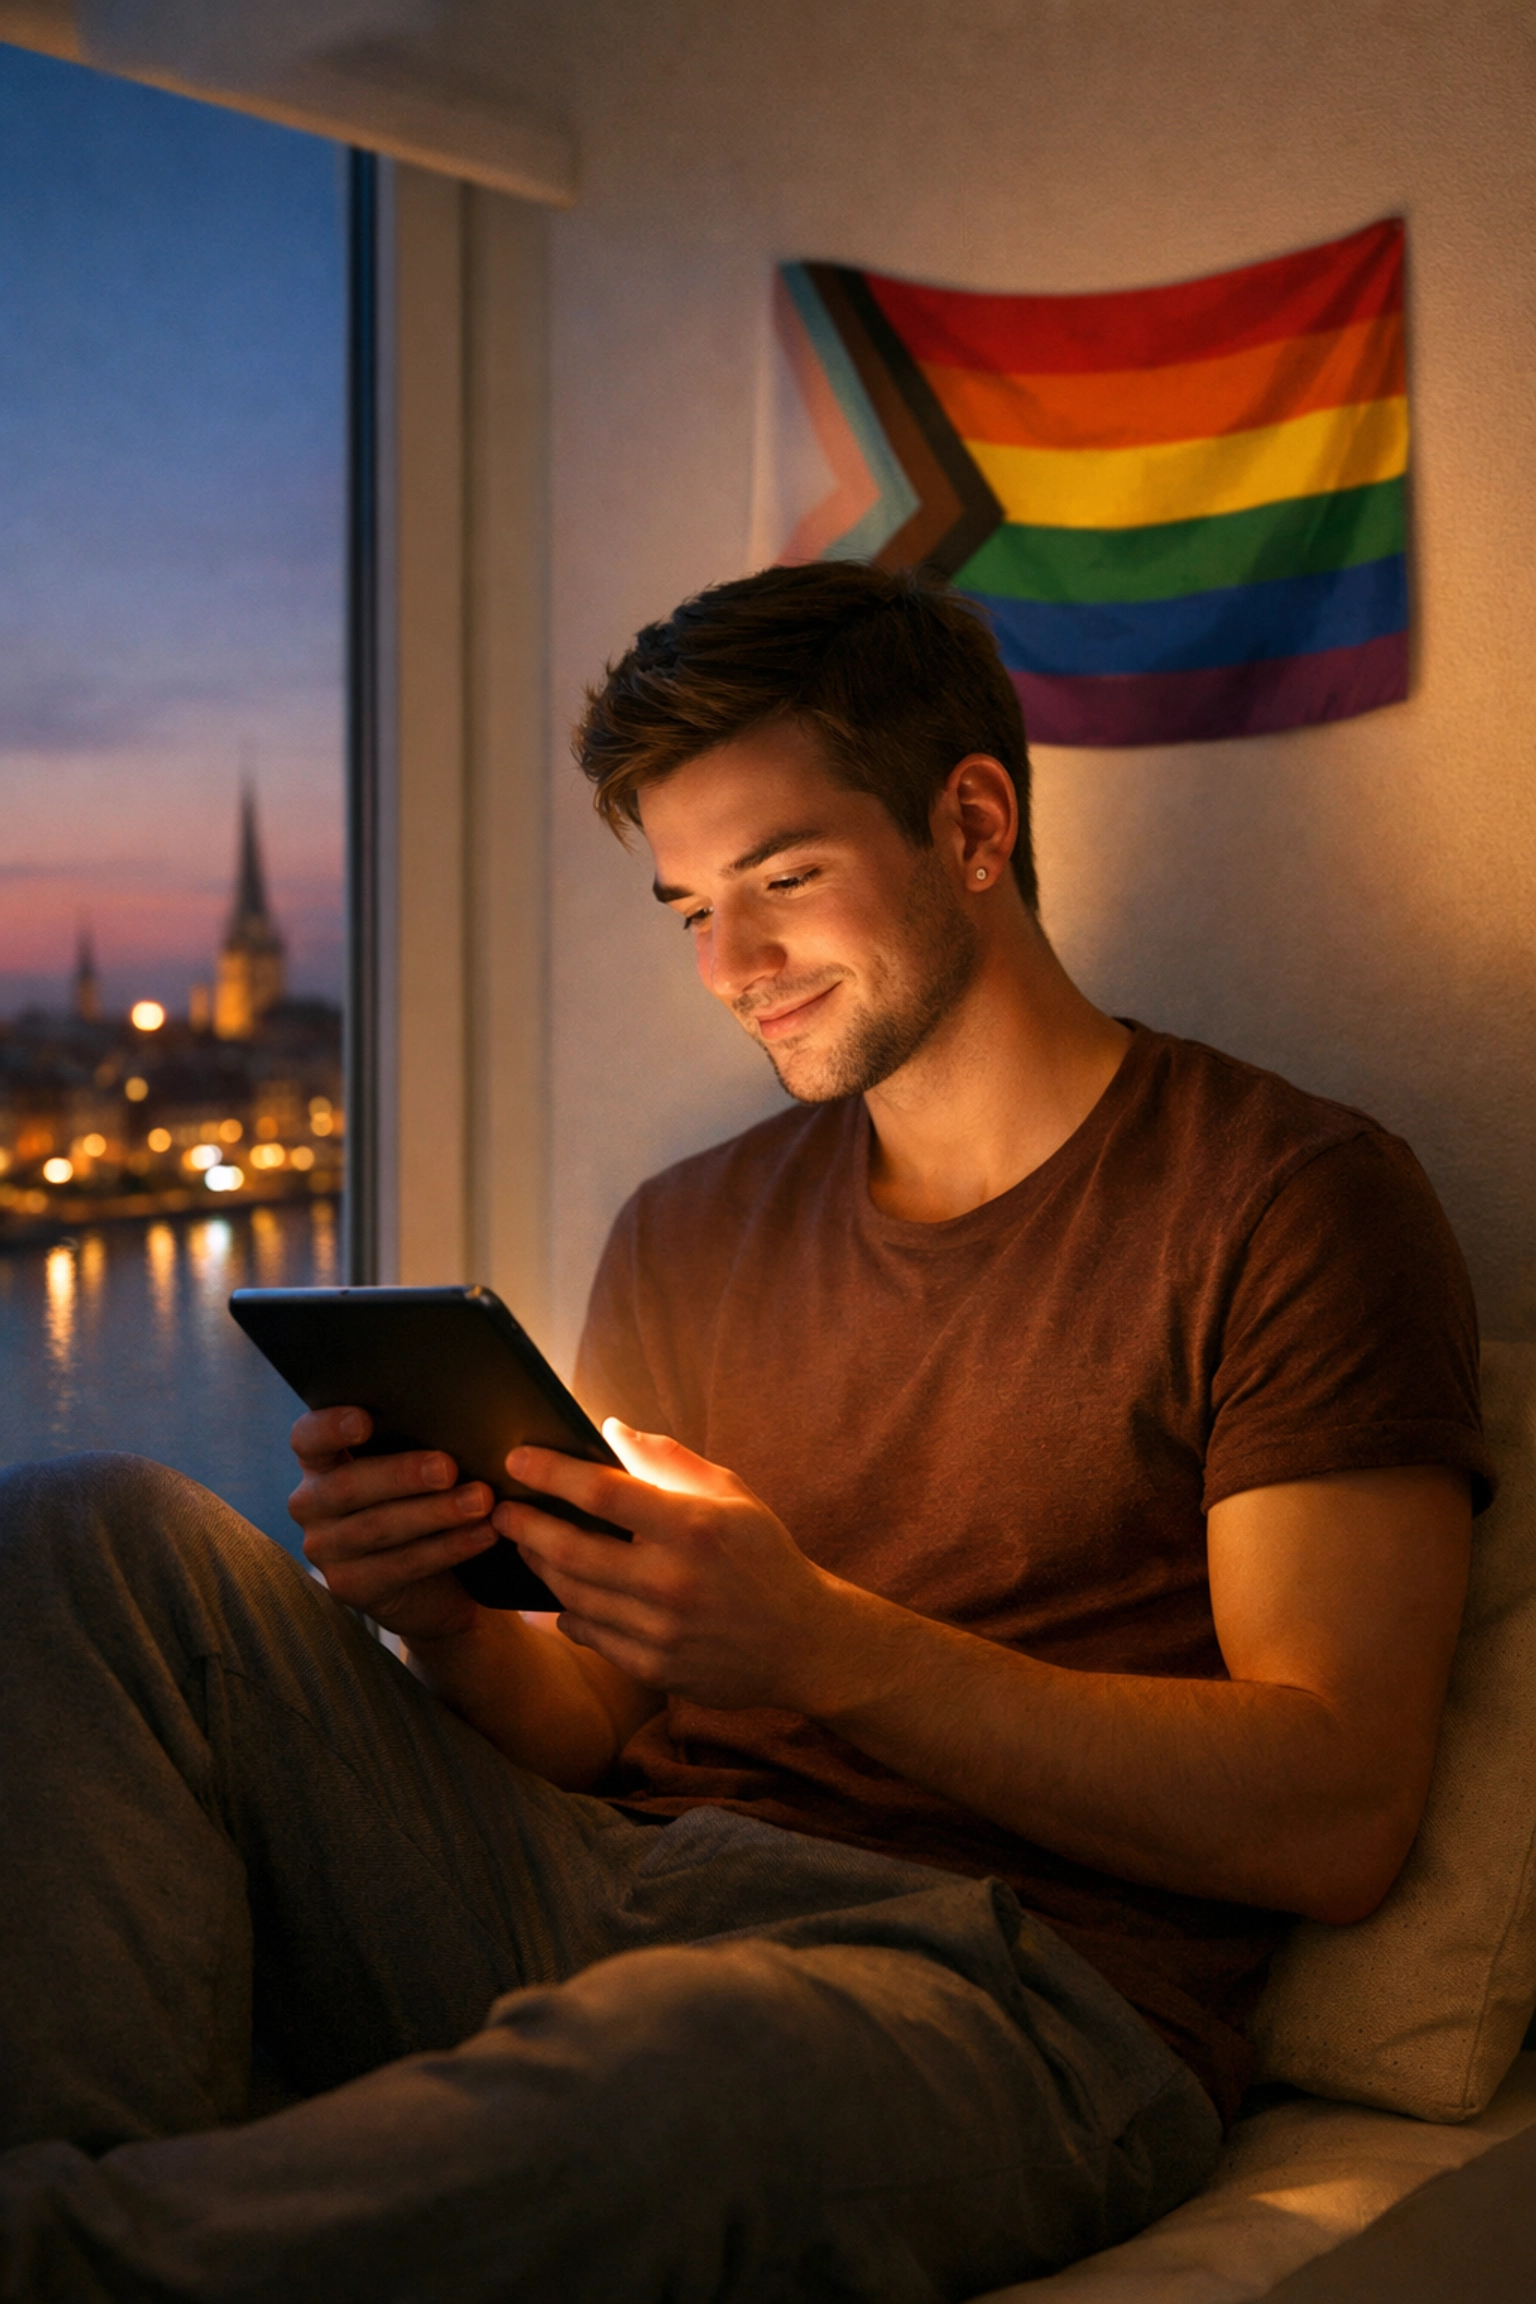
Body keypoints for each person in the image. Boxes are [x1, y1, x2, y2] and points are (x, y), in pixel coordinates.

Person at [0, 563, 1489, 2304]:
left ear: (976, 823)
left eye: (783, 880)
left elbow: (1334, 1815)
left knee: (684, 2053)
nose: (732, 968)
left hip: (1002, 1991)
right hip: (606, 1878)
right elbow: (588, 1727)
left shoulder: (1287, 1200)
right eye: (689, 905)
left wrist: (814, 1643)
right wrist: (447, 1610)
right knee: (86, 1537)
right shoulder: (690, 1225)